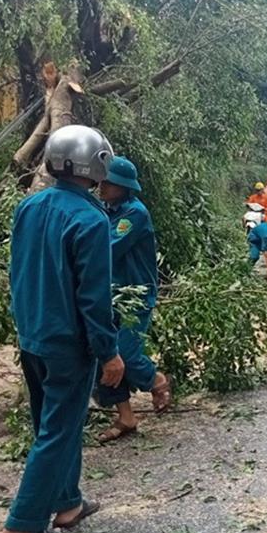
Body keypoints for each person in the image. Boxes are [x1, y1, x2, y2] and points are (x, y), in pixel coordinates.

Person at [0, 125, 124, 533]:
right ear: (95, 164)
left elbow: (18, 271)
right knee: (57, 432)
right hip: (67, 344)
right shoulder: (90, 220)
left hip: (32, 335)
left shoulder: (29, 206)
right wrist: (108, 352)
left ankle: (67, 502)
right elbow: (93, 298)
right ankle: (22, 527)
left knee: (53, 425)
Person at [94, 157, 171, 442]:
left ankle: (157, 380)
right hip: (109, 294)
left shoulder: (133, 215)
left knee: (126, 352)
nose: (102, 185)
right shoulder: (105, 210)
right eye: (102, 179)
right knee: (105, 354)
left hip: (135, 295)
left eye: (109, 182)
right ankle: (126, 416)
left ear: (124, 187)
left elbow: (108, 249)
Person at [248, 215, 267, 280]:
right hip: (255, 239)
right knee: (254, 256)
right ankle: (246, 269)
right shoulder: (266, 235)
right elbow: (266, 254)